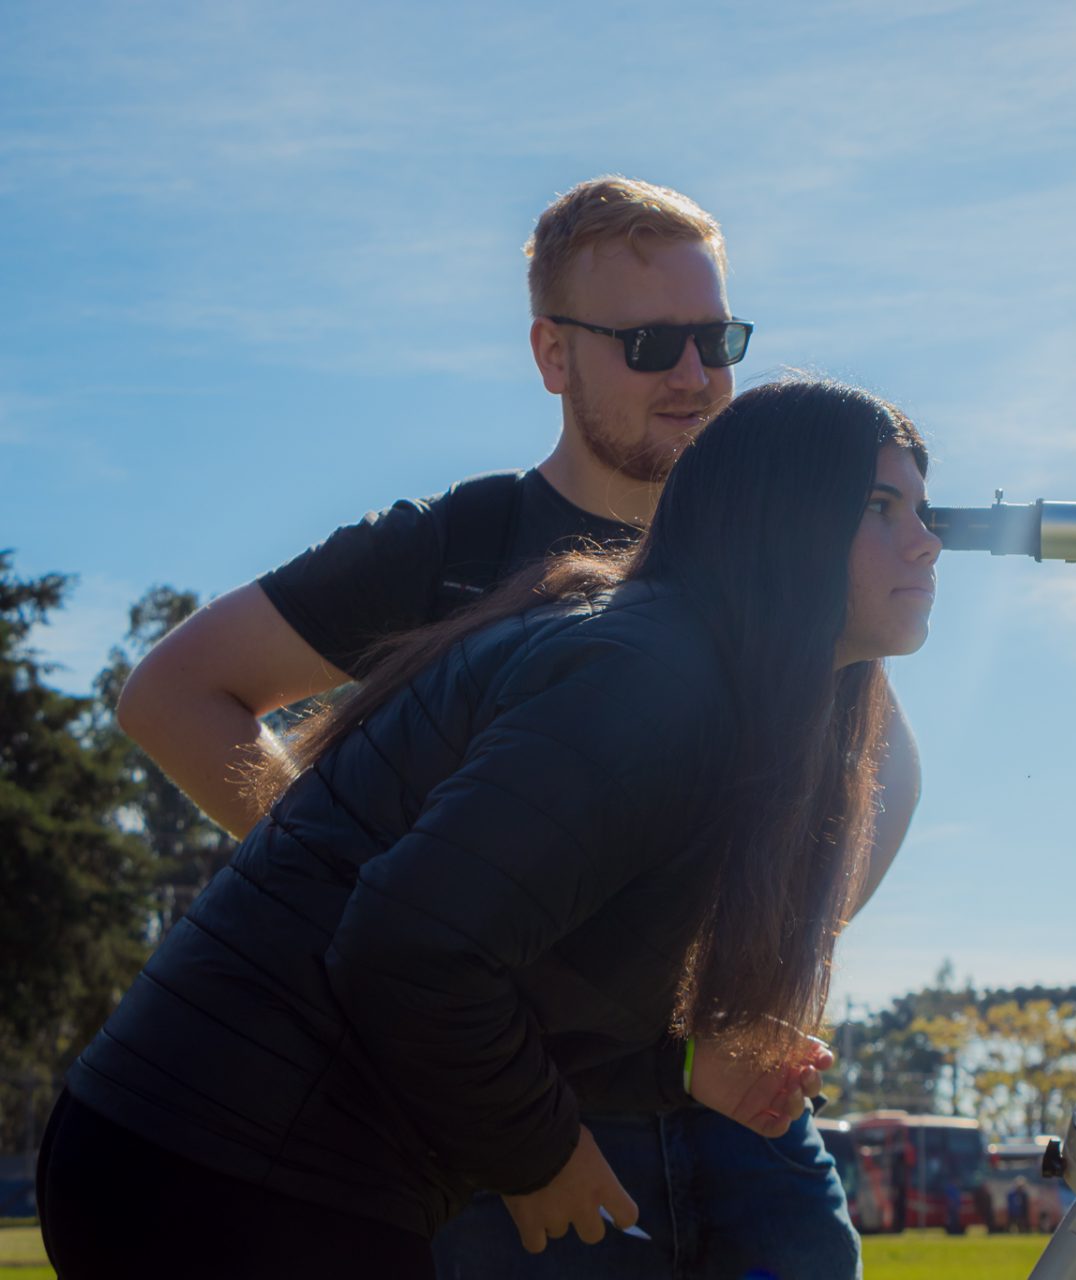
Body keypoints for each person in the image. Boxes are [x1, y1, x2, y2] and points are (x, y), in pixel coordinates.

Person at [111, 177, 922, 1278]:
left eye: (715, 338)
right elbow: (172, 695)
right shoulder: (458, 544)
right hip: (490, 1077)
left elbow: (882, 777)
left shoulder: (795, 580)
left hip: (693, 1073)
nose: (694, 375)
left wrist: (729, 984)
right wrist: (359, 873)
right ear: (553, 354)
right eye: (649, 343)